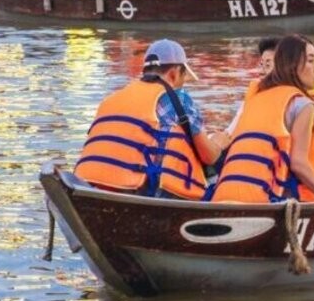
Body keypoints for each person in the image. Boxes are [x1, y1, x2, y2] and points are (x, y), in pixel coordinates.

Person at [209, 34, 314, 204]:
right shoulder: (303, 104)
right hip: (264, 202)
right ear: (292, 65)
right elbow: (298, 164)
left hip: (224, 196)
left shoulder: (256, 97)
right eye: (311, 61)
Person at [74, 39, 228, 200]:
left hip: (97, 183)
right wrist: (218, 143)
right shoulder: (178, 98)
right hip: (149, 192)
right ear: (174, 73)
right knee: (223, 155)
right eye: (183, 78)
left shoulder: (112, 99)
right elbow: (209, 156)